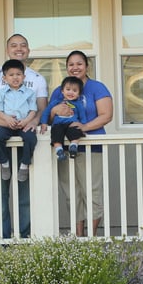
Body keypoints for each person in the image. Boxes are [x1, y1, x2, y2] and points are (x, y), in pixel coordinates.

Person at [0, 34, 48, 239]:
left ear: (28, 50)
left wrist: (31, 122)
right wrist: (7, 123)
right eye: (14, 45)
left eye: (23, 45)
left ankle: (26, 238)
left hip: (25, 141)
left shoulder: (36, 79)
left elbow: (41, 110)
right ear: (7, 49)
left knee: (25, 194)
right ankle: (2, 240)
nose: (19, 49)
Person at [46, 50, 113, 236]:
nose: (75, 68)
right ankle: (78, 237)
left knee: (92, 192)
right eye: (71, 64)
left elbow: (106, 115)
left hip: (91, 148)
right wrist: (53, 112)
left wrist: (83, 126)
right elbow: (50, 118)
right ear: (66, 67)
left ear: (87, 66)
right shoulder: (60, 91)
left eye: (79, 64)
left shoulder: (97, 88)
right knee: (71, 193)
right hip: (65, 149)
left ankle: (90, 237)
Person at [0, 59, 38, 182]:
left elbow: (33, 110)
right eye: (11, 75)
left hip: (23, 124)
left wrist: (26, 121)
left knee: (31, 138)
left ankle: (24, 164)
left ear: (23, 77)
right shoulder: (1, 93)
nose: (15, 78)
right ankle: (4, 163)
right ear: (5, 78)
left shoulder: (30, 93)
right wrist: (7, 119)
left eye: (18, 74)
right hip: (8, 124)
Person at [39, 76, 87, 161]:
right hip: (58, 124)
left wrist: (83, 125)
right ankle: (59, 151)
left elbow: (82, 115)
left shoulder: (78, 104)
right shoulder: (56, 102)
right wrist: (44, 123)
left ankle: (73, 146)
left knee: (75, 131)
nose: (71, 92)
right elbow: (46, 112)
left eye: (74, 90)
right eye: (68, 89)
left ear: (79, 94)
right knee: (56, 133)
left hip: (71, 123)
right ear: (62, 91)